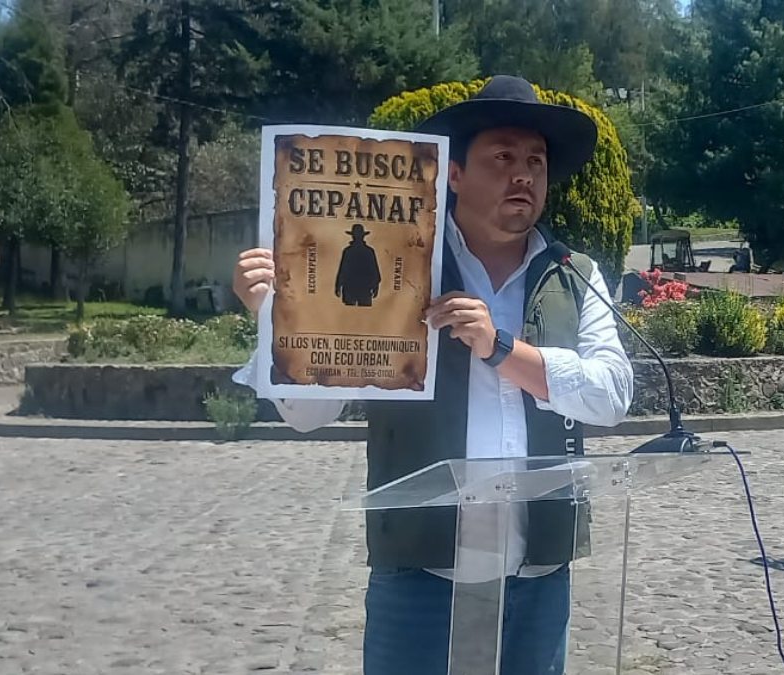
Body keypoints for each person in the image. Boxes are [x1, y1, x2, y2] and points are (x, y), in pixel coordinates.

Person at [231, 75, 634, 675]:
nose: (523, 175)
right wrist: (275, 318)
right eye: (502, 157)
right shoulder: (401, 265)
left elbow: (613, 394)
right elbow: (309, 415)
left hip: (539, 575)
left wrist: (501, 349)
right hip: (420, 574)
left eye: (535, 161)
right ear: (456, 174)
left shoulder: (575, 275)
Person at [334, 223, 381, 306]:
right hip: (357, 287)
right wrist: (338, 285)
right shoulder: (366, 251)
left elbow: (374, 270)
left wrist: (338, 285)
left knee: (359, 309)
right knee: (353, 309)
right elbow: (343, 269)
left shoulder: (350, 251)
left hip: (358, 287)